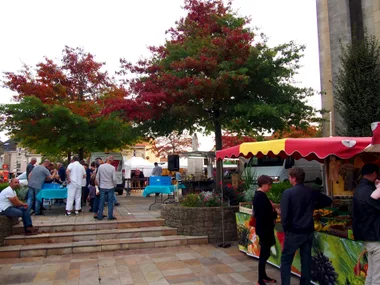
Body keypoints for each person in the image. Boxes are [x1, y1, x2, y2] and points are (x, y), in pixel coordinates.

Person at [280, 167, 332, 285]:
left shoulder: (288, 193)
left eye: (289, 177)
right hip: (308, 231)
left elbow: (285, 215)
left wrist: (286, 229)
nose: (289, 179)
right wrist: (314, 206)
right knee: (306, 260)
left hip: (294, 231)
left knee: (286, 260)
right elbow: (327, 201)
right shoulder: (310, 191)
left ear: (294, 178)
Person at [352, 163, 380, 284]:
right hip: (374, 235)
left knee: (371, 271)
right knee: (377, 275)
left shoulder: (359, 189)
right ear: (374, 173)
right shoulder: (369, 191)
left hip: (366, 236)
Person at [253, 175, 277, 285]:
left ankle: (263, 276)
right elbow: (264, 214)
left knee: (265, 253)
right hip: (265, 229)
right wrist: (274, 211)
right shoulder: (261, 197)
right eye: (269, 185)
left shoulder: (260, 195)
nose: (270, 187)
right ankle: (260, 280)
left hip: (263, 229)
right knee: (264, 254)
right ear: (264, 184)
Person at [95, 156, 117, 220]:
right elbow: (114, 179)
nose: (113, 161)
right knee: (110, 202)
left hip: (102, 186)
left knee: (101, 201)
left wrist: (99, 184)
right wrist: (114, 185)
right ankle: (110, 215)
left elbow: (97, 177)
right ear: (110, 160)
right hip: (110, 186)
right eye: (112, 160)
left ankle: (100, 215)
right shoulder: (112, 168)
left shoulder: (101, 167)